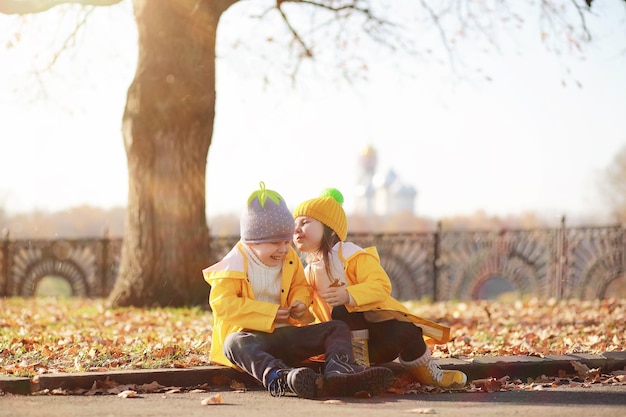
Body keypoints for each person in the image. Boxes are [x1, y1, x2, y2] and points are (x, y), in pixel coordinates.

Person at [202, 182, 394, 399]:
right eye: (275, 243)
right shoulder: (233, 266)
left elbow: (300, 287)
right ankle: (280, 377)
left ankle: (340, 370)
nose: (283, 249)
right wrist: (270, 312)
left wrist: (300, 303)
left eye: (286, 242)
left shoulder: (289, 258)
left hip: (287, 336)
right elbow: (223, 305)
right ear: (252, 243)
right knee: (234, 342)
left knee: (337, 328)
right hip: (254, 342)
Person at [292, 188, 467, 390]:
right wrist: (298, 309)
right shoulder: (310, 271)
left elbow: (381, 285)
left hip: (379, 336)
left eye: (305, 222)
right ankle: (357, 366)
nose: (297, 229)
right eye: (295, 224)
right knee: (340, 311)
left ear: (329, 227)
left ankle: (429, 373)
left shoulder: (351, 256)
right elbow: (309, 310)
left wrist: (349, 294)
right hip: (345, 347)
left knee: (407, 331)